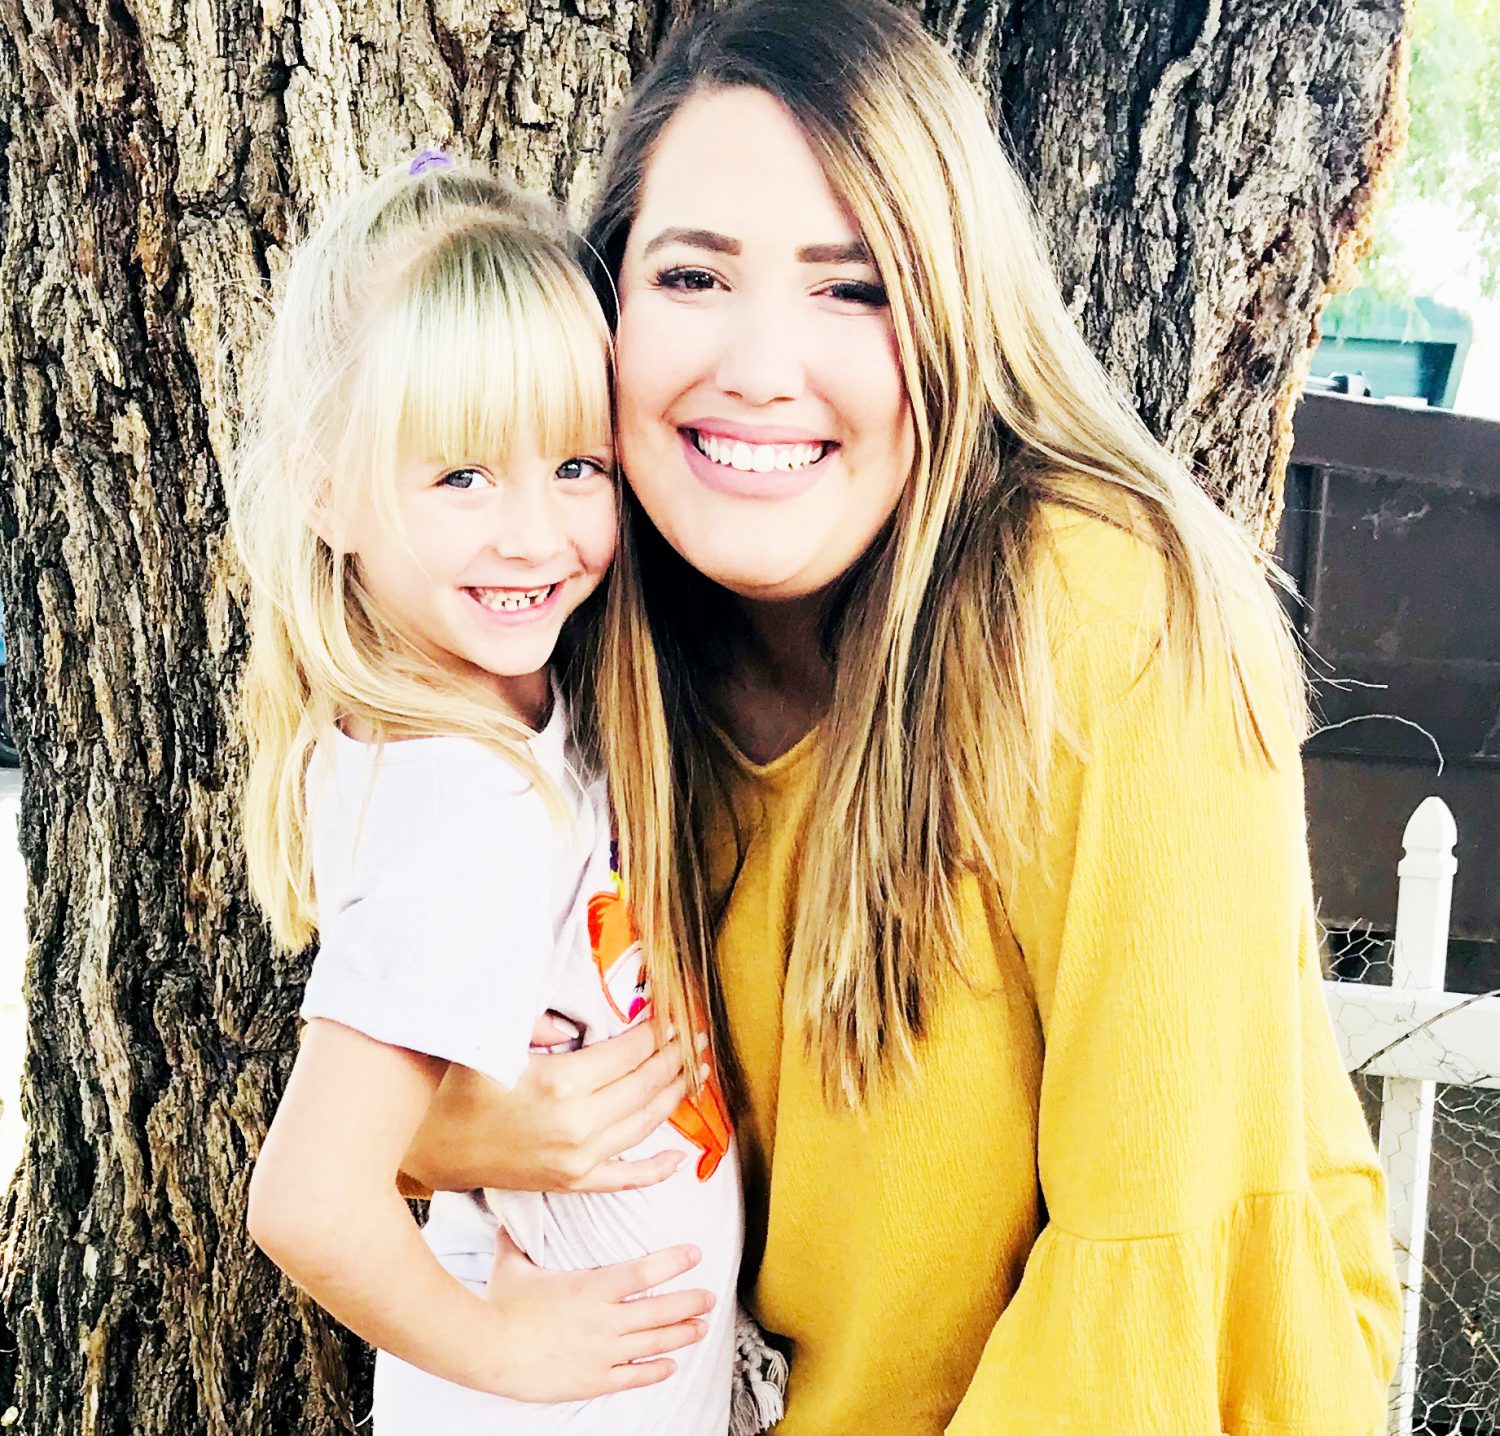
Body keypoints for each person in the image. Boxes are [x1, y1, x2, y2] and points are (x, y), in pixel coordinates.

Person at [400, 1, 1403, 1432]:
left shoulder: (1101, 614)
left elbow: (1155, 1282)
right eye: (692, 275)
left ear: (952, 316)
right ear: (605, 306)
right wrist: (444, 1136)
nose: (760, 365)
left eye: (853, 288)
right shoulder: (587, 657)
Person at [229, 156, 748, 1434]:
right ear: (328, 488)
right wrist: (505, 1351)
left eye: (576, 464)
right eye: (462, 477)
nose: (534, 533)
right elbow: (307, 1197)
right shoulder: (466, 799)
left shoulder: (494, 718)